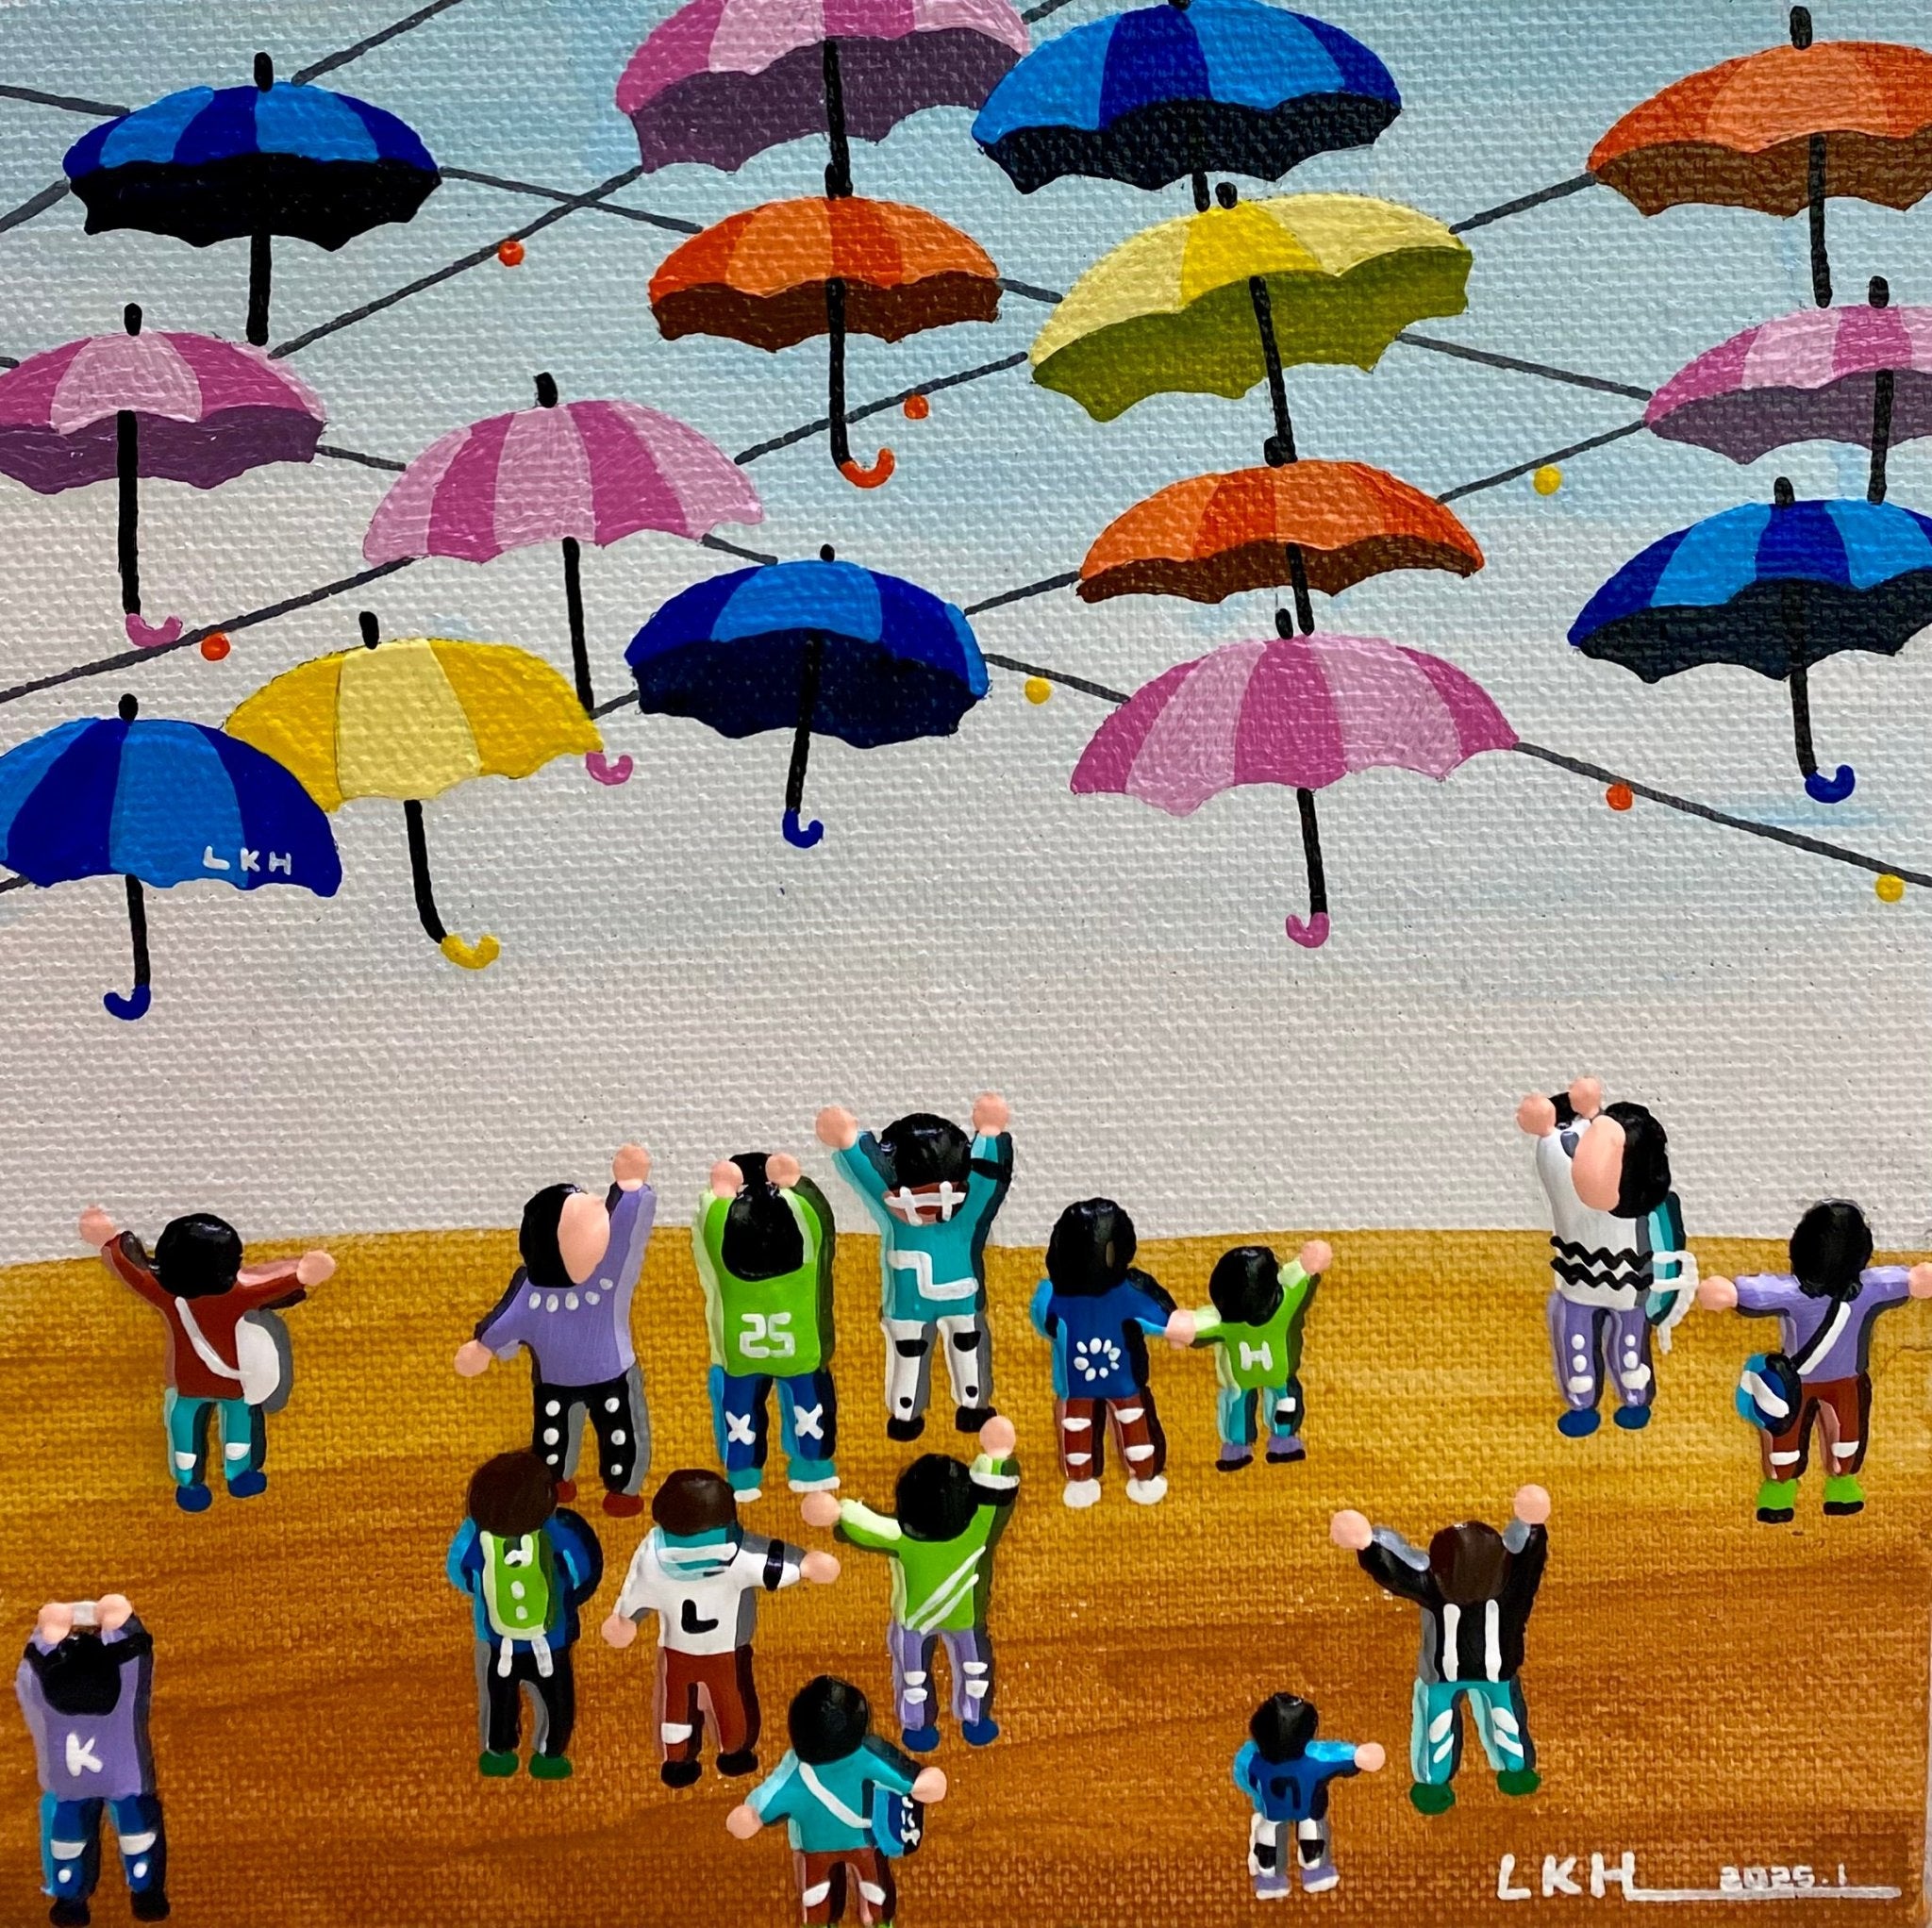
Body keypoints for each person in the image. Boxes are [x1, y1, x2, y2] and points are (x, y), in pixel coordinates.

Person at [78, 1205, 334, 1513]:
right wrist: (301, 1274)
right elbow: (268, 1286)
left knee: (183, 1427)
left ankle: (189, 1484)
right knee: (239, 1424)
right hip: (233, 1382)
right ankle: (239, 1474)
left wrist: (109, 1242)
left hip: (188, 1382)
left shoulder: (167, 1295)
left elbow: (136, 1274)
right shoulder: (237, 1294)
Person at [1699, 1200, 1932, 1522]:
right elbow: (1904, 1281)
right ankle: (1836, 1484)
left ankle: (1787, 1488)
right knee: (1842, 1431)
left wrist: (1730, 1292)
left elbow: (1758, 1291)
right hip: (1830, 1380)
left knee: (1795, 1433)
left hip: (1809, 1380)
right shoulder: (1867, 1291)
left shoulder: (1795, 1292)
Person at [603, 1468, 838, 1787]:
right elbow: (766, 1562)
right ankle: (730, 1752)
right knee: (727, 1700)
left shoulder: (654, 1557)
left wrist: (625, 1619)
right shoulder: (736, 1556)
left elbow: (636, 1591)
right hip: (719, 1650)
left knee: (681, 1704)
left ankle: (680, 1758)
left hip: (683, 1650)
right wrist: (804, 1566)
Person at [457, 1143, 656, 1517]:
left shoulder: (607, 1275)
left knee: (621, 1434)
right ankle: (555, 1479)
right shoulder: (530, 1293)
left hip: (612, 1375)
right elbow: (506, 1321)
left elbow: (627, 1234)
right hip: (555, 1382)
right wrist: (484, 1347)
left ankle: (623, 1487)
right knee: (553, 1436)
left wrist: (630, 1191)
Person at [800, 1417, 1018, 1752]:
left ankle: (918, 1726)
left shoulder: (901, 1537)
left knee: (912, 1676)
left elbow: (866, 1524)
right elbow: (994, 1497)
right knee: (974, 1669)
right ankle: (975, 1719)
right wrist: (996, 1456)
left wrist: (838, 1511)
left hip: (913, 1620)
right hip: (965, 1619)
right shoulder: (979, 1529)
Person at [1330, 1486, 1549, 1815]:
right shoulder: (1511, 1585)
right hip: (1495, 1670)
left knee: (1439, 1727)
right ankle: (1515, 1770)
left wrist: (1368, 1544)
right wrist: (1531, 1525)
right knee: (1502, 1719)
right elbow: (1530, 1559)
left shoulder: (1436, 1588)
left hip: (1445, 1673)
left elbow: (1398, 1573)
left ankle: (1435, 1783)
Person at [817, 1097, 1013, 1440]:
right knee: (953, 1345)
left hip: (916, 1300)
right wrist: (989, 1136)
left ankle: (913, 1412)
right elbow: (985, 1180)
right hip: (954, 1294)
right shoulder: (964, 1212)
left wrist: (849, 1142)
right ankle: (954, 1407)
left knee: (927, 1348)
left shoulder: (900, 1209)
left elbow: (871, 1175)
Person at [1516, 1079, 1695, 1438]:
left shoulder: (1576, 1153)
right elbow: (1563, 1156)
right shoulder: (1563, 1152)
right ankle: (1598, 1399)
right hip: (1590, 1276)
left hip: (1618, 1276)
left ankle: (1626, 1396)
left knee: (1614, 1337)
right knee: (1589, 1335)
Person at [727, 1675, 947, 1928]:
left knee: (817, 1894)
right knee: (873, 1889)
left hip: (816, 1847)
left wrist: (752, 1816)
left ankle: (823, 1923)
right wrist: (922, 1784)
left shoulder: (795, 1773)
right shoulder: (865, 1758)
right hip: (863, 1840)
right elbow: (907, 1782)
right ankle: (877, 1921)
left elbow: (766, 1803)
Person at [445, 1450, 603, 1780]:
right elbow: (582, 1570)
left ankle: (500, 1750)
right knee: (558, 1699)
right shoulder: (558, 1532)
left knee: (501, 1696)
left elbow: (461, 1573)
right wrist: (570, 1600)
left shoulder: (476, 1536)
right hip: (552, 1639)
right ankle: (551, 1753)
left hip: (500, 1640)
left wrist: (483, 1596)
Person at [692, 1154, 840, 1501]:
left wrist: (723, 1191)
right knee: (809, 1407)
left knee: (739, 1413)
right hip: (800, 1349)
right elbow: (817, 1219)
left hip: (740, 1353)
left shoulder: (723, 1249)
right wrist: (796, 1184)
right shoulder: (806, 1256)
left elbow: (711, 1218)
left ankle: (743, 1474)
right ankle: (814, 1465)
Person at [16, 1596, 167, 1926]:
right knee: (138, 1830)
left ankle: (69, 1898)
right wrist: (118, 1622)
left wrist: (48, 1632)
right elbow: (136, 1656)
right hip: (126, 1775)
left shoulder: (47, 1690)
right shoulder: (124, 1688)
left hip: (70, 1782)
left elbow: (31, 1673)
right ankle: (146, 1892)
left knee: (68, 1837)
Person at [1029, 1198, 1174, 1508]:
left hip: (1083, 1381)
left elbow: (1045, 1322)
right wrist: (1176, 1326)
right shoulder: (1126, 1290)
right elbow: (1161, 1317)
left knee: (1079, 1426)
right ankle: (1141, 1475)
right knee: (1128, 1422)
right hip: (1119, 1379)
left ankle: (1085, 1478)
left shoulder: (1055, 1295)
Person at [1165, 1241, 1333, 1471]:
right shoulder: (1284, 1306)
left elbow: (1199, 1327)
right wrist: (1306, 1266)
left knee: (1246, 1403)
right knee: (1279, 1401)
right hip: (1273, 1375)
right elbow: (1301, 1281)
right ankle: (1274, 1440)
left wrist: (1184, 1329)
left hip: (1248, 1378)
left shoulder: (1225, 1324)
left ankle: (1246, 1444)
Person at [1233, 1694, 1384, 1899]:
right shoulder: (1314, 1759)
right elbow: (1335, 1754)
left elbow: (1243, 1777)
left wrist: (1258, 1799)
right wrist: (1358, 1755)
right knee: (1312, 1834)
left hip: (1272, 1812)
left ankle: (1269, 1880)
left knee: (1269, 1839)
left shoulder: (1252, 1759)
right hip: (1308, 1810)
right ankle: (1316, 1872)